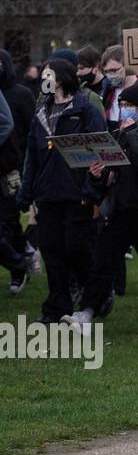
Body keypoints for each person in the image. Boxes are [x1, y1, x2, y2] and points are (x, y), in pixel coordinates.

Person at [71, 81, 138, 334]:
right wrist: (99, 175)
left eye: (130, 105)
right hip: (119, 209)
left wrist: (134, 131)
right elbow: (111, 174)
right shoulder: (119, 136)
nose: (124, 109)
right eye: (122, 105)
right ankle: (87, 311)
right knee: (102, 262)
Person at [16, 58, 105, 324]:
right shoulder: (41, 113)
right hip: (48, 195)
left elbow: (99, 153)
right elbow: (33, 156)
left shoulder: (85, 111)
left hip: (77, 194)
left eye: (49, 74)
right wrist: (27, 192)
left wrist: (90, 191)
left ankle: (93, 298)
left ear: (63, 77)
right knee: (53, 254)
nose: (45, 79)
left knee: (78, 250)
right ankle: (55, 308)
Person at [0, 49, 34, 293]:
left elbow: (20, 127)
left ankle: (18, 265)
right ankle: (21, 258)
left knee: (8, 222)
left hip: (11, 166)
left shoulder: (21, 94)